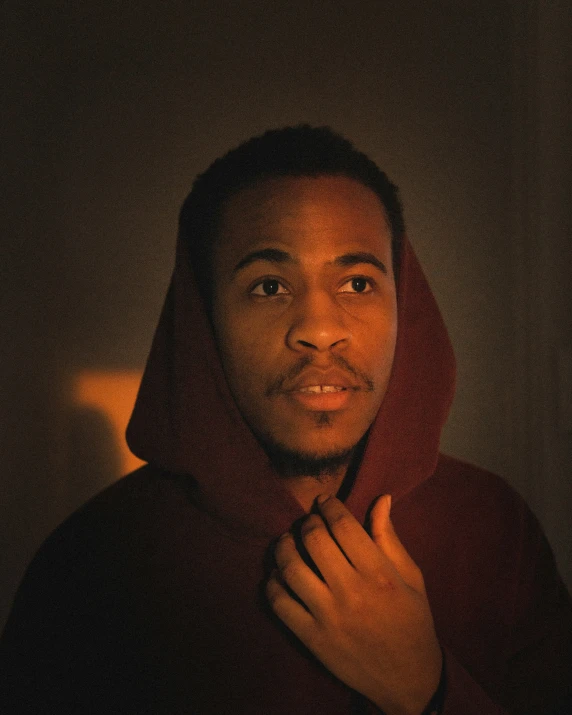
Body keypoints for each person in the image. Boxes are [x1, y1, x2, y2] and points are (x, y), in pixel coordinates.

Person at [1, 126, 571, 714]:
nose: (320, 329)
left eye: (357, 283)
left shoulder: (495, 527)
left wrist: (427, 689)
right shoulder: (95, 566)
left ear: (407, 305)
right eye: (269, 287)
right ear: (203, 319)